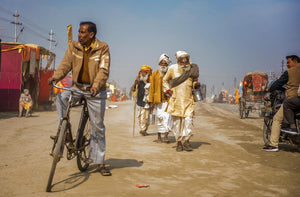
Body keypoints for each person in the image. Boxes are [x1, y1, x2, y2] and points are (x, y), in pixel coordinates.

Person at [48, 21, 111, 176]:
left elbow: (103, 70)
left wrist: (96, 86)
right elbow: (65, 65)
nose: (79, 35)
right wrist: (55, 77)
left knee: (97, 127)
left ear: (91, 34)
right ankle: (64, 132)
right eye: (79, 32)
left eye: (83, 32)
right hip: (77, 88)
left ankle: (100, 162)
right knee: (62, 97)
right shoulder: (74, 47)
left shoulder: (103, 48)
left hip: (95, 91)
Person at [163, 51, 200, 152]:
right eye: (182, 61)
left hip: (188, 100)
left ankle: (186, 141)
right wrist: (167, 90)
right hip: (176, 100)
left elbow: (194, 82)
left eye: (186, 61)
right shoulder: (172, 69)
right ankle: (179, 142)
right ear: (178, 61)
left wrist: (195, 85)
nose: (184, 63)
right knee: (177, 124)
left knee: (188, 121)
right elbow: (165, 80)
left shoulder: (192, 69)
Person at [263, 55, 300, 151]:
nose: (287, 65)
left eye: (288, 62)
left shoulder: (289, 72)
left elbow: (275, 85)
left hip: (293, 100)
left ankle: (273, 145)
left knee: (277, 118)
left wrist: (277, 88)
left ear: (295, 61)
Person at [149, 53, 172, 143]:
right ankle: (159, 137)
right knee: (159, 118)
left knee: (167, 118)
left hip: (168, 100)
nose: (163, 65)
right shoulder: (155, 74)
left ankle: (166, 136)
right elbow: (152, 89)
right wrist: (151, 101)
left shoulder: (170, 74)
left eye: (165, 63)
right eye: (161, 63)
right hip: (158, 101)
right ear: (159, 64)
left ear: (167, 64)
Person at [131, 65, 152, 136]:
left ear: (148, 73)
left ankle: (144, 129)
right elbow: (133, 90)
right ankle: (142, 129)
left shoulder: (151, 81)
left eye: (144, 72)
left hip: (148, 102)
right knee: (140, 117)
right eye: (142, 72)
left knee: (147, 117)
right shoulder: (138, 81)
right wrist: (135, 83)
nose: (143, 73)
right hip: (140, 102)